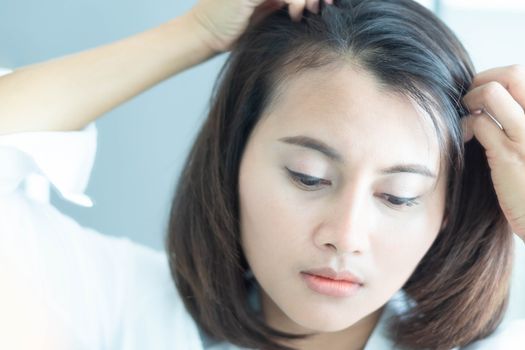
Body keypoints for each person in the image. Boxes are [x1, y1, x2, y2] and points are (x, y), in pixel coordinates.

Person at [0, 0, 524, 349]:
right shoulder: (121, 305)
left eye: (399, 196)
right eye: (309, 176)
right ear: (234, 159)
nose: (345, 237)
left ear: (447, 208)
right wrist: (197, 34)